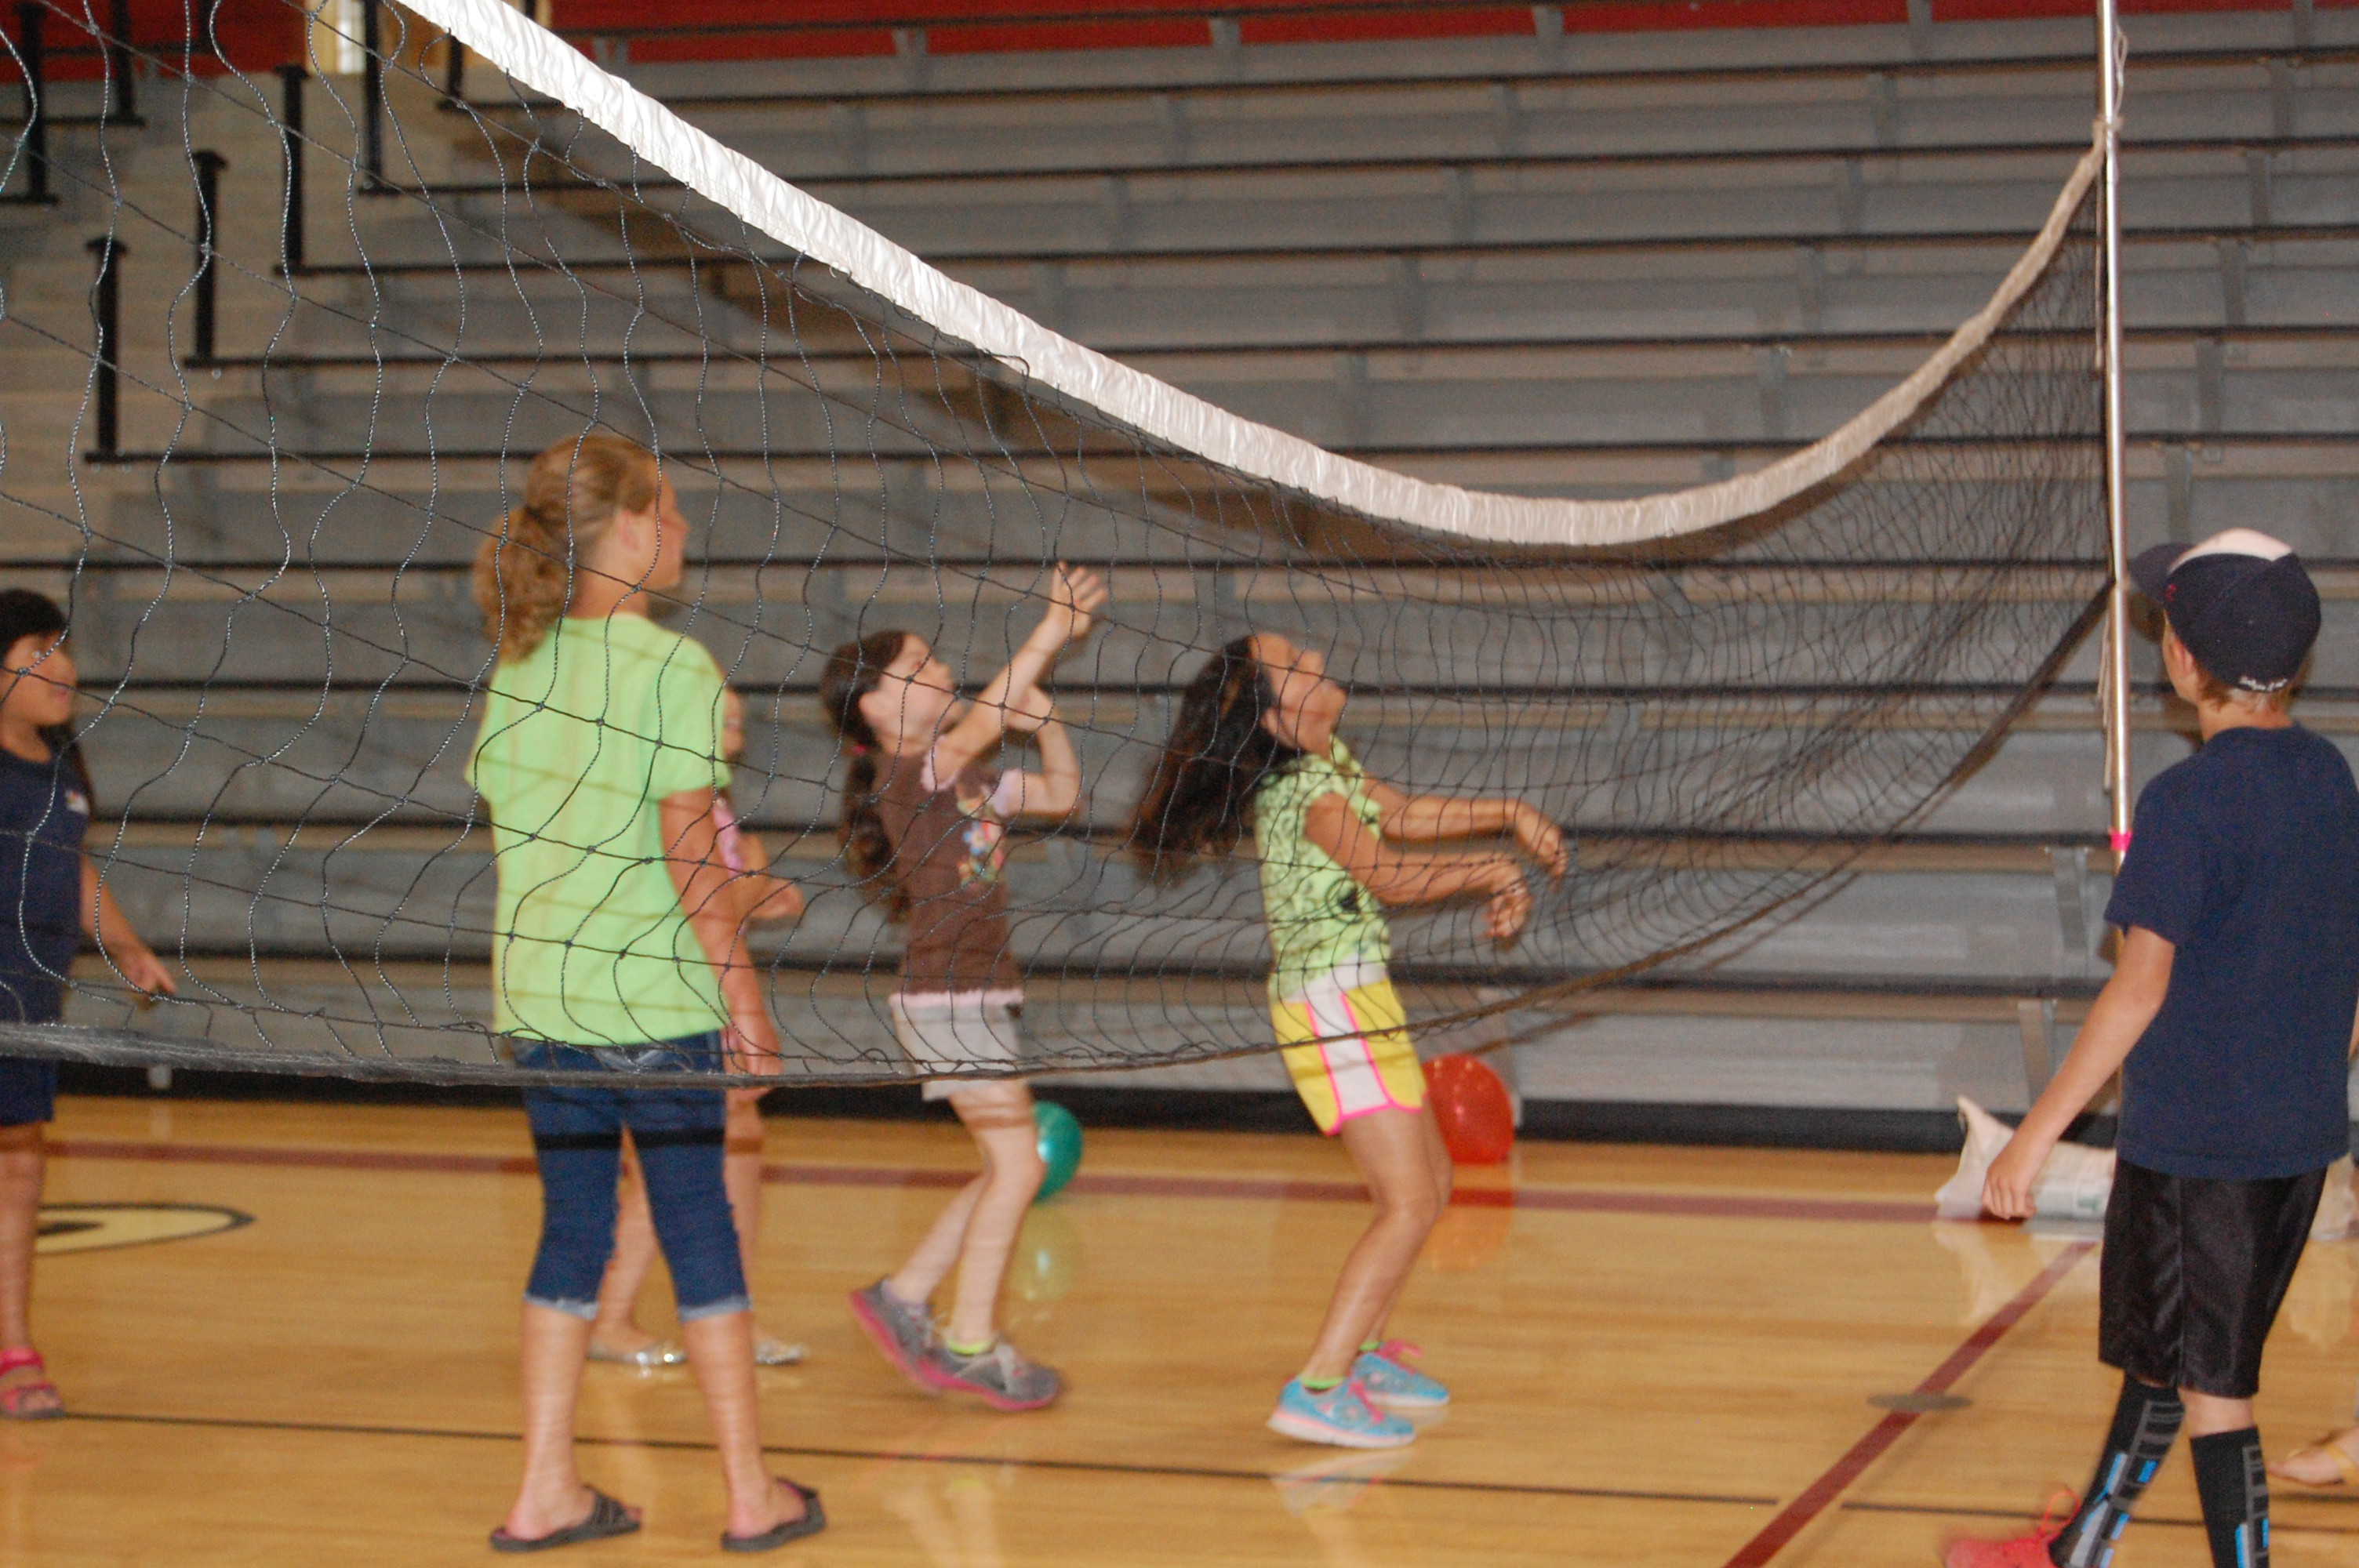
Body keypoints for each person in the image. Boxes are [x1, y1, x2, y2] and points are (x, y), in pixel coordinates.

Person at [1945, 528, 2359, 1568]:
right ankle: (2078, 1552)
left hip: (2199, 1156)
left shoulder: (2185, 804)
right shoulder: (2329, 778)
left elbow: (2139, 987)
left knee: (2217, 1392)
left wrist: (2033, 1140)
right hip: (2296, 1139)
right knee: (2168, 1362)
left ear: (2179, 661)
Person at [468, 434, 820, 1551]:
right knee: (700, 1233)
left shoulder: (517, 664)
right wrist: (746, 1002)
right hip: (653, 1006)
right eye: (668, 512)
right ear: (626, 528)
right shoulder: (674, 668)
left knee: (571, 1235)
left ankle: (545, 1492)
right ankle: (750, 1496)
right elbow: (689, 857)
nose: (681, 531)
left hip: (540, 1004)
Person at [1132, 633, 1565, 1449]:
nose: (1315, 655)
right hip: (1332, 1007)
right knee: (1406, 1201)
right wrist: (1492, 869)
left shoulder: (1330, 761)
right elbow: (1389, 873)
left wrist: (1508, 813)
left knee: (1429, 1181)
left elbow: (1398, 814)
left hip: (1358, 998)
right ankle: (1318, 1384)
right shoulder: (1301, 790)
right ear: (1275, 714)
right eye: (1293, 663)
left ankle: (1361, 1355)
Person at [820, 562, 1107, 1413]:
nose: (940, 671)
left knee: (999, 1167)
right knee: (1017, 1165)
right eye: (918, 667)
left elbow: (1060, 793)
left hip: (977, 992)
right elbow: (982, 719)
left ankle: (903, 1295)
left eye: (935, 659)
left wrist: (1046, 720)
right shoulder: (912, 774)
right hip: (945, 996)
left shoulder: (970, 779)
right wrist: (1050, 631)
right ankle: (970, 1344)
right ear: (875, 705)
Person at [591, 688, 808, 1371]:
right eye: (715, 707)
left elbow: (774, 896)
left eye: (736, 711)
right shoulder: (668, 804)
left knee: (732, 1150)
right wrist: (748, 884)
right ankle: (609, 1316)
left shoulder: (720, 814)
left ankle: (729, 1315)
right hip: (661, 1007)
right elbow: (714, 899)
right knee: (675, 1161)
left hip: (700, 1004)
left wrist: (746, 883)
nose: (731, 716)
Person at [0, 588, 175, 1422]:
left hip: (30, 1003)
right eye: (35, 651)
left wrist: (128, 946)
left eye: (61, 647)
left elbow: (72, 871)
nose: (60, 666)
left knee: (22, 1165)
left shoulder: (62, 769)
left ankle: (14, 1346)